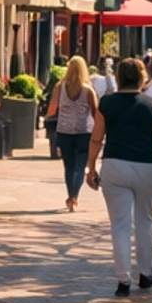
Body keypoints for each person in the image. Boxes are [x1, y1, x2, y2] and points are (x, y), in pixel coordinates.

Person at [86, 56, 152, 296]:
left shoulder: (106, 103)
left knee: (119, 224)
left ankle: (122, 279)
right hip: (146, 166)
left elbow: (96, 137)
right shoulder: (151, 105)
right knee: (145, 221)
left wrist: (91, 167)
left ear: (117, 77)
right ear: (142, 77)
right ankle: (146, 274)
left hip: (114, 164)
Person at [46, 56, 98, 210]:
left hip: (64, 131)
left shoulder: (59, 88)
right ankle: (74, 196)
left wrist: (51, 115)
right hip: (84, 132)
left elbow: (52, 109)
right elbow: (95, 112)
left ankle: (70, 195)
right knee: (80, 167)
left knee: (68, 166)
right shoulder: (88, 90)